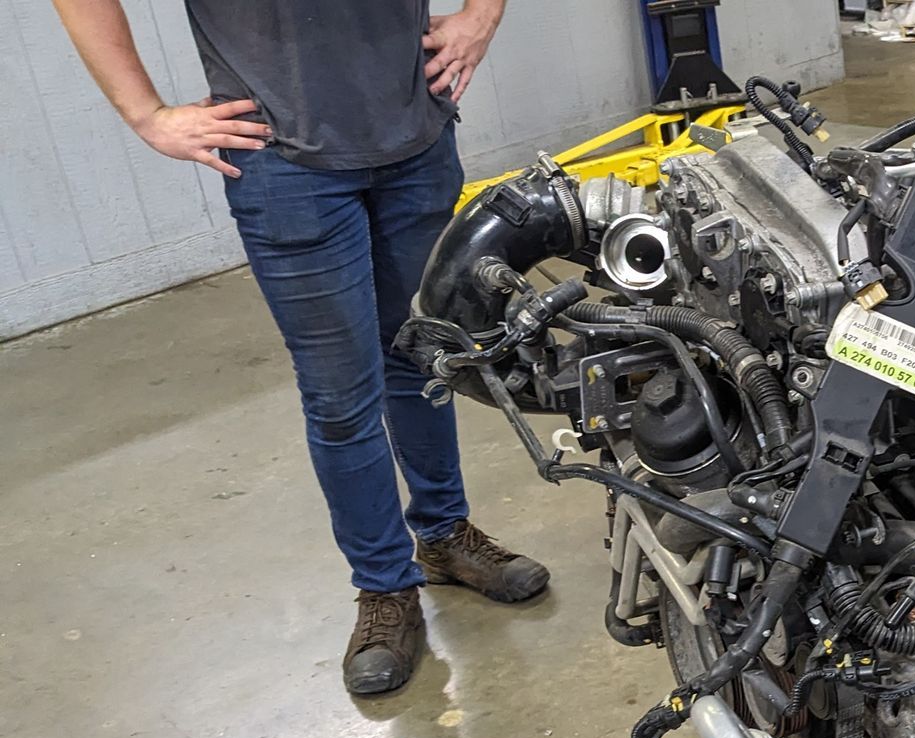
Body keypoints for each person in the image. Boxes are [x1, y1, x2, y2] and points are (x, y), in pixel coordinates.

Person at [53, 0, 548, 695]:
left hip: (417, 138)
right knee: (342, 397)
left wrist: (482, 15)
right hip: (288, 165)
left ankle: (444, 536)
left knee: (425, 356)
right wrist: (146, 113)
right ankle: (384, 589)